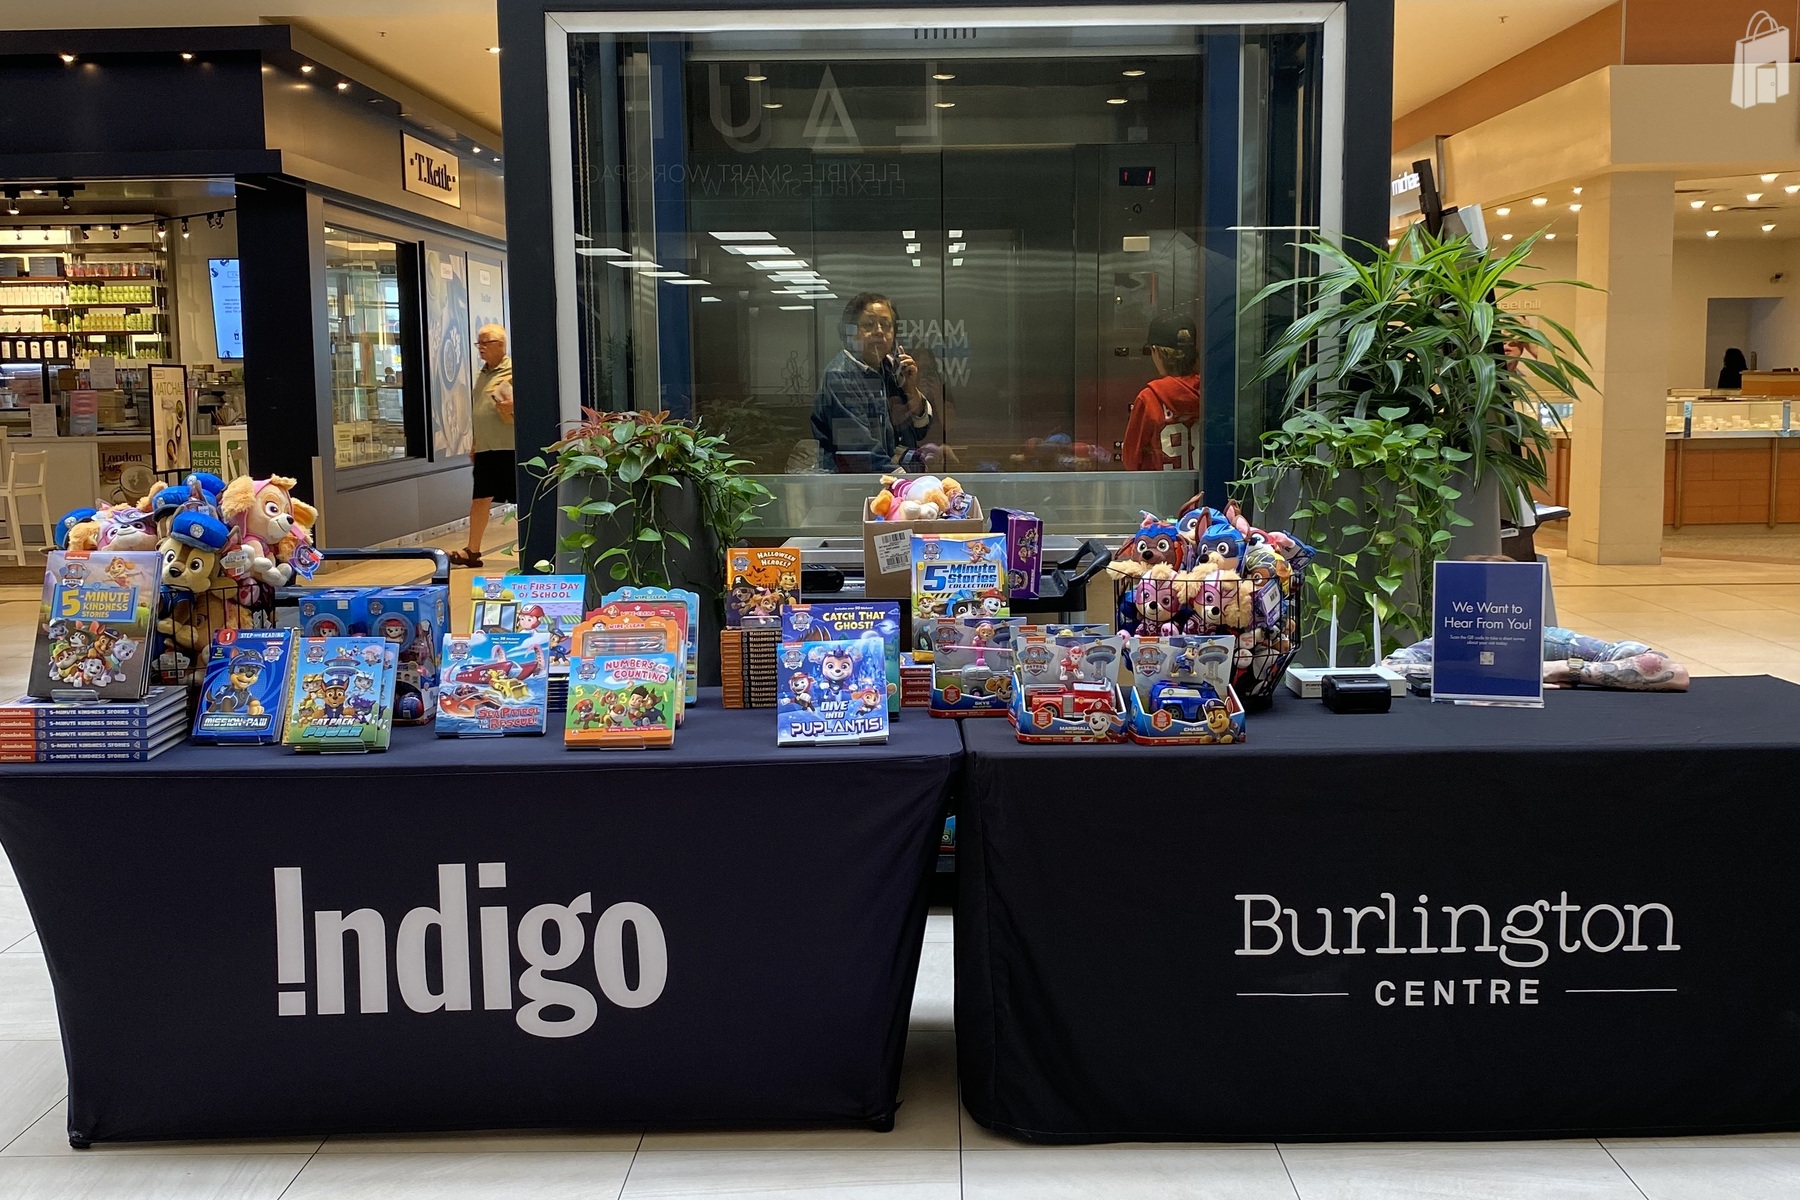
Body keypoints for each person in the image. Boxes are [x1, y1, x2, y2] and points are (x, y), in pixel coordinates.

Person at [811, 293, 932, 472]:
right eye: (869, 325)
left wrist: (910, 390)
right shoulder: (840, 377)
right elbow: (860, 453)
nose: (879, 331)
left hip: (880, 478)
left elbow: (919, 432)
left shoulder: (887, 369)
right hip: (849, 484)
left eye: (886, 325)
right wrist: (905, 485)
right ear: (850, 332)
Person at [451, 324, 513, 568]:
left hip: (510, 446)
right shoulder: (482, 375)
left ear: (500, 345)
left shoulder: (512, 370)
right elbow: (480, 412)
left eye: (486, 343)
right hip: (487, 447)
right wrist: (475, 443)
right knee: (480, 498)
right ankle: (472, 551)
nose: (481, 349)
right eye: (479, 344)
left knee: (522, 500)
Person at [1122, 309, 1202, 472]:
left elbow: (1131, 459)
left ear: (1157, 352)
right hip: (1205, 491)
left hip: (1162, 492)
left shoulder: (1149, 398)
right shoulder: (1209, 393)